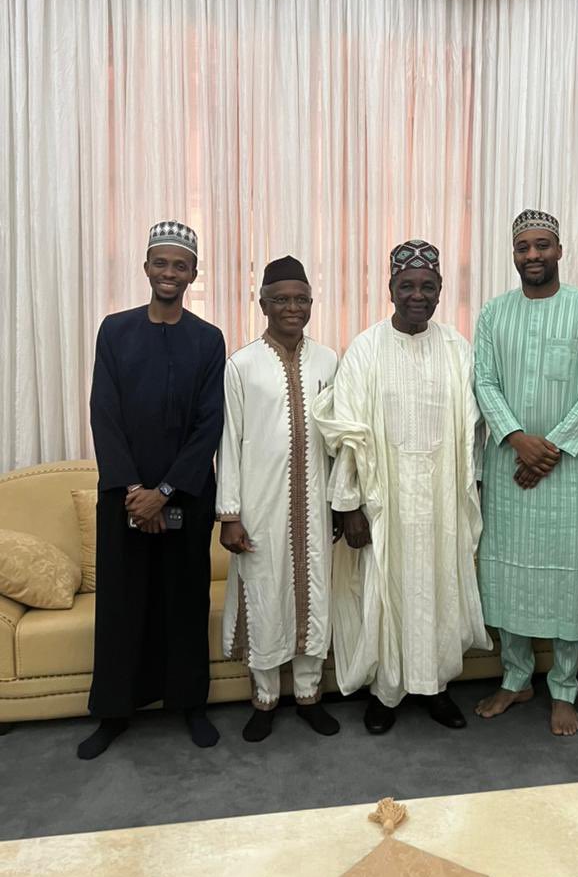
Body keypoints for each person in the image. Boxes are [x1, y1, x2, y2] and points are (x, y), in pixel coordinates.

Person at [313, 240, 490, 734]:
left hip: (441, 500)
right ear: (390, 289)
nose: (417, 295)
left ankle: (434, 687)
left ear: (440, 292)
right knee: (384, 595)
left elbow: (471, 431)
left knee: (439, 588)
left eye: (427, 286)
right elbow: (346, 432)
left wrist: (472, 491)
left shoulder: (457, 348)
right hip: (382, 500)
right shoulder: (365, 348)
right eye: (407, 286)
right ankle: (386, 692)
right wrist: (349, 506)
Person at [79, 221, 225, 760]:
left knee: (185, 603)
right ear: (146, 268)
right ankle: (113, 712)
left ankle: (191, 706)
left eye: (180, 265)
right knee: (123, 604)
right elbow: (105, 415)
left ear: (192, 273)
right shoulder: (114, 331)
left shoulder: (208, 340)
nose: (170, 273)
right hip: (124, 496)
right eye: (160, 263)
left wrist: (164, 491)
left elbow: (209, 424)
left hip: (184, 495)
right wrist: (135, 492)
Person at [473, 209, 578, 736]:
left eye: (542, 246)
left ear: (560, 250)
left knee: (569, 575)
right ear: (513, 254)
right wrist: (517, 439)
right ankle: (516, 679)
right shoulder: (493, 313)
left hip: (570, 469)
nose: (532, 255)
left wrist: (549, 448)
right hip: (510, 465)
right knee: (507, 571)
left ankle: (564, 687)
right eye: (522, 248)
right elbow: (484, 382)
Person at [216, 256, 341, 742]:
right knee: (266, 598)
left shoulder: (329, 360)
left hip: (315, 506)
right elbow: (229, 440)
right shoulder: (241, 365)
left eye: (301, 299)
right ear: (263, 303)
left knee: (312, 595)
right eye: (282, 299)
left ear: (311, 303)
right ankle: (265, 699)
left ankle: (309, 695)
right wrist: (229, 515)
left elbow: (341, 437)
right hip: (260, 508)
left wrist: (341, 500)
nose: (293, 307)